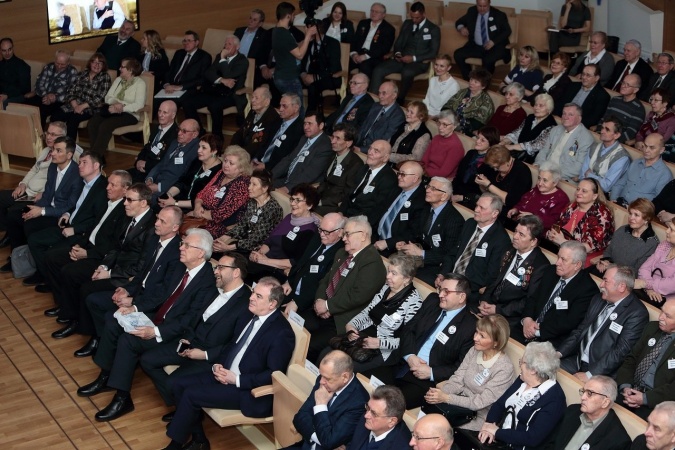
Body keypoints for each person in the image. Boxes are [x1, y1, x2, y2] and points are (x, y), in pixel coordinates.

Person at [76, 228, 218, 422]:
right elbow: (161, 294)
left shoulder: (207, 282)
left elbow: (189, 321)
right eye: (182, 243)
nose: (181, 248)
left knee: (128, 341)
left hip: (177, 333)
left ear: (200, 253)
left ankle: (122, 398)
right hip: (160, 318)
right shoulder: (181, 267)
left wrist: (156, 331)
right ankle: (106, 376)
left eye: (187, 245)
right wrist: (134, 307)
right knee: (115, 320)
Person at [161, 276, 295, 450]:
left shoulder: (281, 333)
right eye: (253, 293)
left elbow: (273, 374)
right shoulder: (249, 315)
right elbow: (232, 345)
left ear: (272, 304)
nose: (251, 298)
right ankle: (199, 439)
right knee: (178, 384)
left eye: (258, 296)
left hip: (247, 389)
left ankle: (175, 445)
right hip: (225, 373)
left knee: (191, 394)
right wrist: (218, 365)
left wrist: (236, 380)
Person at [138, 252, 252, 419]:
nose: (215, 271)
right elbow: (195, 318)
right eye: (216, 267)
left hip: (211, 358)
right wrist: (188, 339)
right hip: (191, 343)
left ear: (236, 272)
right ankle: (183, 405)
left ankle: (186, 411)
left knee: (172, 382)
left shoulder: (246, 304)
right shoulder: (214, 290)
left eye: (221, 267)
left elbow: (236, 344)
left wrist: (204, 354)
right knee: (147, 360)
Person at [45, 183, 155, 338]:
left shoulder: (151, 228)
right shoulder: (130, 218)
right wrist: (103, 266)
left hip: (127, 277)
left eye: (130, 200)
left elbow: (141, 266)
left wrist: (109, 273)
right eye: (125, 199)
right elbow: (116, 247)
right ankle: (72, 316)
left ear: (143, 203)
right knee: (71, 273)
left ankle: (88, 332)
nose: (125, 203)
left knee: (87, 288)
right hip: (114, 266)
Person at [77, 205, 183, 357]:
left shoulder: (177, 254)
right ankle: (100, 340)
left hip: (150, 303)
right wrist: (126, 289)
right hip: (137, 291)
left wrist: (134, 303)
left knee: (111, 317)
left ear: (175, 227)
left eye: (162, 221)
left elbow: (163, 292)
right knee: (93, 300)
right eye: (157, 219)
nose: (156, 223)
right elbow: (142, 273)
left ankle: (107, 352)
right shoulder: (155, 239)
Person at [37, 170, 129, 315]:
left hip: (99, 256)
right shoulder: (107, 203)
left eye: (113, 185)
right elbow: (93, 228)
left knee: (69, 271)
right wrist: (79, 245)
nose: (107, 187)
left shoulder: (124, 212)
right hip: (87, 245)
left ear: (125, 189)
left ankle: (70, 312)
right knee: (51, 257)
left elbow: (112, 245)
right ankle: (63, 302)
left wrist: (87, 254)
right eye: (108, 183)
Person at [306, 215, 386, 363]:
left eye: (347, 234)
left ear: (363, 236)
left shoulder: (372, 262)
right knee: (293, 328)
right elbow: (325, 280)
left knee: (309, 346)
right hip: (321, 310)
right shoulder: (342, 253)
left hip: (341, 320)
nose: (343, 238)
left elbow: (357, 296)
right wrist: (320, 300)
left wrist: (328, 306)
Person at [24, 152, 108, 287]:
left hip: (81, 233)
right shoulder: (83, 182)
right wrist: (68, 214)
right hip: (68, 224)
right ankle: (46, 277)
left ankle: (52, 283)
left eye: (84, 163)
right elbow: (75, 204)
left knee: (52, 253)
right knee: (34, 239)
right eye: (79, 162)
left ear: (96, 165)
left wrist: (75, 229)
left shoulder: (103, 189)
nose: (80, 166)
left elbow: (99, 220)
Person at [393, 273, 477, 408]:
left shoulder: (470, 326)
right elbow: (408, 329)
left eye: (446, 291)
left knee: (391, 404)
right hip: (402, 362)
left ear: (461, 297)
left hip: (426, 381)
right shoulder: (433, 301)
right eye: (440, 289)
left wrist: (432, 372)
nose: (440, 295)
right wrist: (410, 356)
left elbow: (461, 366)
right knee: (367, 384)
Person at [424, 314, 515, 431]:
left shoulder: (504, 368)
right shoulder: (474, 350)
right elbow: (457, 378)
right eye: (476, 332)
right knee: (428, 412)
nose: (475, 338)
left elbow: (480, 402)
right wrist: (439, 395)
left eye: (482, 336)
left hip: (478, 416)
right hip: (458, 403)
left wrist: (447, 398)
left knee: (437, 427)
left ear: (496, 342)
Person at [556, 265, 649, 379]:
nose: (601, 285)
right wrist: (559, 353)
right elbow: (581, 330)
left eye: (606, 281)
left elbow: (620, 352)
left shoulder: (637, 313)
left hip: (600, 372)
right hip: (577, 359)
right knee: (544, 369)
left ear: (621, 287)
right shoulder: (598, 299)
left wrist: (589, 375)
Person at [341, 253, 424, 373]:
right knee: (329, 353)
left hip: (385, 348)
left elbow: (407, 340)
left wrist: (379, 343)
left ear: (406, 278)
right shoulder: (386, 287)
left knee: (345, 367)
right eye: (388, 271)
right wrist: (351, 325)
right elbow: (367, 311)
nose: (388, 276)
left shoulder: (414, 302)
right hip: (365, 334)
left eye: (394, 273)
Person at [0, 122, 81, 243]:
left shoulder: (70, 162)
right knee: (6, 203)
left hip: (39, 197)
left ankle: (14, 239)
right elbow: (34, 170)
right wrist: (23, 184)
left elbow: (67, 201)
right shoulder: (47, 154)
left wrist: (41, 207)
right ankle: (11, 237)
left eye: (53, 134)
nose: (49, 137)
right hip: (32, 192)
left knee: (16, 212)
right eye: (48, 133)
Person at [478, 341, 566, 449]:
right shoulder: (523, 380)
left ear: (533, 370)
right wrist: (489, 427)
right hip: (500, 441)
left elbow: (532, 438)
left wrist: (497, 432)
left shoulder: (554, 399)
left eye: (522, 362)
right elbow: (499, 404)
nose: (520, 365)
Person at [514, 240, 599, 347]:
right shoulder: (550, 271)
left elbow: (569, 322)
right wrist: (527, 319)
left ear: (577, 265)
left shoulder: (587, 289)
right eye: (558, 257)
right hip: (527, 326)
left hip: (550, 339)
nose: (558, 262)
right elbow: (533, 298)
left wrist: (537, 331)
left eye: (563, 259)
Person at [284, 350, 370, 450]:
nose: (321, 381)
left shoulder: (359, 401)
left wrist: (320, 405)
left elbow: (329, 442)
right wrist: (318, 438)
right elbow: (299, 418)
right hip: (307, 445)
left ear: (345, 377)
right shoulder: (323, 381)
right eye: (321, 375)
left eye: (327, 378)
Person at [478, 216, 551, 329]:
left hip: (509, 317)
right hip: (490, 304)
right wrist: (484, 300)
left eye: (521, 234)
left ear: (533, 241)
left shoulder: (540, 265)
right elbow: (494, 279)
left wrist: (497, 310)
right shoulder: (509, 250)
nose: (515, 236)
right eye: (515, 231)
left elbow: (529, 301)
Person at [440, 193, 511, 307]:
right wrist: (443, 274)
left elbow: (490, 276)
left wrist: (458, 287)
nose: (476, 210)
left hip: (470, 290)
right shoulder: (470, 224)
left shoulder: (501, 240)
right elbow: (453, 253)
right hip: (449, 277)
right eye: (477, 205)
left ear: (495, 213)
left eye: (482, 208)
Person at [396, 177, 465, 286]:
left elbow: (448, 254)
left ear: (444, 196)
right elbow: (415, 233)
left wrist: (421, 253)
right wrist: (405, 244)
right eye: (428, 186)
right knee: (394, 265)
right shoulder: (425, 208)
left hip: (434, 265)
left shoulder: (454, 220)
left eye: (433, 188)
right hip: (416, 258)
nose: (427, 190)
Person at [369, 1, 440, 104]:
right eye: (412, 17)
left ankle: (400, 99)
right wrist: (398, 53)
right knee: (378, 69)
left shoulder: (433, 29)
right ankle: (372, 99)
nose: (414, 20)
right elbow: (398, 43)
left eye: (417, 18)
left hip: (419, 62)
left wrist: (413, 58)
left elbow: (433, 52)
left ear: (424, 14)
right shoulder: (407, 23)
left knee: (407, 72)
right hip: (401, 59)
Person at [615, 298, 675, 419]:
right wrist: (625, 387)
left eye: (667, 316)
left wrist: (645, 398)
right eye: (662, 311)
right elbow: (631, 359)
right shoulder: (652, 328)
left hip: (656, 403)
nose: (660, 317)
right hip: (629, 389)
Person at [247, 184, 319, 283]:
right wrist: (259, 254)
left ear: (310, 205)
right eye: (292, 199)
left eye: (298, 200)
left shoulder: (310, 231)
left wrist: (264, 261)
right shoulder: (289, 217)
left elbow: (294, 262)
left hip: (277, 271)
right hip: (264, 262)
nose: (292, 203)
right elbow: (270, 241)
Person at [182, 35, 250, 137]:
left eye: (229, 44)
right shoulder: (219, 56)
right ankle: (200, 132)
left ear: (237, 47)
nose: (226, 47)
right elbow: (209, 72)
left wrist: (222, 59)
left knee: (214, 106)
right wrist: (222, 80)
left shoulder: (242, 61)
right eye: (225, 44)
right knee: (187, 102)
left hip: (230, 94)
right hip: (215, 91)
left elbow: (228, 74)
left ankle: (217, 137)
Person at [281, 213, 346, 317]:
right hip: (292, 289)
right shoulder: (317, 237)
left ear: (340, 232)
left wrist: (298, 302)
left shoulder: (340, 254)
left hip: (308, 302)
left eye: (327, 232)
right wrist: (289, 281)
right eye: (321, 229)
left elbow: (323, 284)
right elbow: (301, 260)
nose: (322, 234)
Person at [546, 376, 631, 450]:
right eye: (583, 391)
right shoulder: (572, 411)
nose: (583, 397)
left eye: (589, 393)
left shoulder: (618, 440)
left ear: (605, 402)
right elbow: (551, 443)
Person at [213, 169, 284, 257]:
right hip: (244, 242)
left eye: (254, 184)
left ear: (265, 188)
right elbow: (243, 224)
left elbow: (257, 239)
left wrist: (228, 247)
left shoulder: (272, 209)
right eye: (250, 183)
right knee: (215, 248)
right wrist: (225, 237)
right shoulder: (252, 202)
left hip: (258, 249)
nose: (249, 187)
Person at [547, 178, 614, 267]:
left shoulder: (602, 214)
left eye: (584, 191)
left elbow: (588, 247)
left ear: (594, 196)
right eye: (578, 189)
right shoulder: (572, 206)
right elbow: (559, 226)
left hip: (583, 256)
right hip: (561, 247)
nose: (578, 193)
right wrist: (552, 234)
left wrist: (563, 242)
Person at [188, 145, 251, 239]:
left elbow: (220, 214)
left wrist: (197, 213)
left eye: (231, 163)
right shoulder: (221, 173)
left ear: (241, 168)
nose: (226, 165)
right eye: (225, 161)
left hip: (218, 226)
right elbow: (201, 193)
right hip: (201, 216)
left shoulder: (243, 184)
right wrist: (197, 206)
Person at [86, 57, 146, 155]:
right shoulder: (118, 80)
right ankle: (96, 156)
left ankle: (95, 156)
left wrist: (122, 107)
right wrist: (115, 104)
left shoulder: (140, 83)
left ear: (130, 70)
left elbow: (139, 105)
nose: (119, 69)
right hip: (112, 110)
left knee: (105, 125)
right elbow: (107, 97)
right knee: (92, 123)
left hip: (130, 114)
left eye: (122, 67)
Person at [50, 53, 112, 140]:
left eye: (100, 63)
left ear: (103, 65)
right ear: (90, 63)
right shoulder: (82, 74)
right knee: (55, 116)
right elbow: (70, 91)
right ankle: (56, 142)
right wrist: (75, 106)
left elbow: (100, 97)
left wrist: (82, 107)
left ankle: (69, 146)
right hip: (74, 105)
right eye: (94, 62)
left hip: (90, 108)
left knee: (73, 120)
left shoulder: (105, 77)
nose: (97, 65)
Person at [341, 140, 399, 232]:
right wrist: (341, 212)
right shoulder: (364, 168)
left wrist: (351, 222)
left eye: (376, 151)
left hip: (361, 222)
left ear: (385, 158)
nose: (370, 153)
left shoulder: (389, 179)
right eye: (370, 148)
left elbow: (377, 210)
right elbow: (349, 193)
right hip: (347, 213)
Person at [591, 199, 660, 275]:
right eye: (630, 213)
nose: (631, 218)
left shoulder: (652, 243)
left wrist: (611, 267)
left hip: (624, 277)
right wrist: (605, 261)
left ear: (647, 219)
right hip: (606, 269)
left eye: (636, 215)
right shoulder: (623, 230)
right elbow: (609, 250)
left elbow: (638, 271)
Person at [157, 133, 223, 211]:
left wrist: (174, 203)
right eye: (199, 146)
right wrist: (169, 195)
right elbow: (182, 182)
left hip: (194, 208)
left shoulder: (219, 172)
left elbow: (204, 201)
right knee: (157, 204)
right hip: (178, 200)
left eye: (204, 148)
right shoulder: (197, 162)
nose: (199, 150)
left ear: (214, 151)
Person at [271, 2, 317, 114]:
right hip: (288, 78)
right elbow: (300, 55)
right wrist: (307, 36)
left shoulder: (278, 31)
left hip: (283, 76)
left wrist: (306, 40)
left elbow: (293, 47)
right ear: (288, 16)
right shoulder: (284, 34)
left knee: (290, 109)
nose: (294, 17)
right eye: (293, 15)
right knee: (297, 110)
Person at [373, 161, 427, 256]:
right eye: (399, 173)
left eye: (403, 174)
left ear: (415, 178)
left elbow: (413, 233)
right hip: (374, 235)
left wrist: (388, 243)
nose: (399, 177)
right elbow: (378, 208)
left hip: (394, 248)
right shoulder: (397, 187)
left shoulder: (422, 201)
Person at [272, 111, 333, 193]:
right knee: (262, 184)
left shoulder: (325, 146)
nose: (305, 127)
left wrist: (288, 188)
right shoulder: (304, 138)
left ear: (321, 125)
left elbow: (310, 173)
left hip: (302, 187)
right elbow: (289, 159)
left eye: (310, 124)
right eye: (305, 123)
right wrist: (270, 176)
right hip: (287, 179)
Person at [144, 119, 201, 203]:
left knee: (141, 201)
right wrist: (150, 178)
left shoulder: (196, 150)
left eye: (184, 131)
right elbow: (162, 163)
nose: (179, 133)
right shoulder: (175, 142)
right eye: (179, 129)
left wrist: (159, 187)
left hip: (169, 190)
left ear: (195, 134)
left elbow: (182, 176)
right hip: (155, 182)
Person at [534, 103, 595, 182]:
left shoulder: (586, 139)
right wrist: (539, 165)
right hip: (543, 169)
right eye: (564, 113)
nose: (565, 117)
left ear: (579, 119)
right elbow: (544, 151)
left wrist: (552, 174)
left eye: (570, 114)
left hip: (563, 177)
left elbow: (578, 167)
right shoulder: (556, 129)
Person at [454, 0, 512, 80]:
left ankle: (483, 84)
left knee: (488, 60)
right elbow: (459, 22)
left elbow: (507, 31)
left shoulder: (498, 15)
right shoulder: (472, 11)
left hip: (495, 47)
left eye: (484, 6)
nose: (482, 9)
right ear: (476, 4)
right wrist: (461, 28)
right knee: (458, 54)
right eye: (479, 6)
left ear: (489, 4)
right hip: (477, 46)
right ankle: (469, 80)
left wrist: (493, 42)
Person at [315, 123, 365, 215]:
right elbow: (325, 181)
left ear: (348, 143)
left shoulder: (356, 164)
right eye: (333, 137)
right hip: (320, 198)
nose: (332, 141)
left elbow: (346, 194)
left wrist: (321, 202)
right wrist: (313, 197)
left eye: (337, 138)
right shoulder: (332, 155)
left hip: (334, 206)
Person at [506, 161, 569, 232]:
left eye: (545, 180)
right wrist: (516, 209)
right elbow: (522, 202)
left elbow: (553, 222)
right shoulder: (536, 189)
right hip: (519, 224)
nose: (540, 183)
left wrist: (533, 218)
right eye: (539, 178)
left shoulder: (561, 199)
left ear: (555, 183)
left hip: (535, 232)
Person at [22, 50, 78, 126]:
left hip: (60, 101)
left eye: (62, 64)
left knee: (41, 111)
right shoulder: (48, 67)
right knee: (25, 105)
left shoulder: (72, 72)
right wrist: (46, 95)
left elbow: (71, 92)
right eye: (57, 63)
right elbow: (39, 83)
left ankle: (39, 133)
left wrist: (54, 97)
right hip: (43, 95)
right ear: (55, 60)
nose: (59, 66)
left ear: (68, 63)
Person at [127, 100, 178, 183]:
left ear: (173, 115)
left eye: (165, 112)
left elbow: (166, 161)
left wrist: (146, 165)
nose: (160, 115)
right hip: (141, 168)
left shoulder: (175, 135)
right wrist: (138, 161)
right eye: (159, 111)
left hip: (154, 175)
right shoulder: (156, 128)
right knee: (117, 177)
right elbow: (147, 147)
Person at [474, 145, 532, 217]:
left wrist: (488, 185)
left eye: (497, 167)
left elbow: (509, 201)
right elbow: (485, 192)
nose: (495, 169)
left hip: (506, 211)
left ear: (507, 162)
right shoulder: (493, 167)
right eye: (493, 167)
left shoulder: (522, 172)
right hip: (489, 202)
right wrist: (482, 184)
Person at [346, 385, 412, 449]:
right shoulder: (366, 419)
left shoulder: (401, 446)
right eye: (368, 407)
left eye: (374, 414)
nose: (366, 415)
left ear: (392, 421)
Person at [451, 126, 500, 208]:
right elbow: (458, 176)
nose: (477, 141)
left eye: (482, 140)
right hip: (455, 192)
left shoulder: (492, 164)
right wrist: (450, 190)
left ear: (491, 144)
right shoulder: (471, 153)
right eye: (478, 138)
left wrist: (463, 197)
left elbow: (485, 193)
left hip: (472, 201)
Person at [253, 93, 304, 170]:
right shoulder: (276, 121)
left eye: (284, 106)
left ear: (296, 108)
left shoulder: (300, 129)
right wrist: (255, 158)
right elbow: (264, 143)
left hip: (275, 170)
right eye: (280, 106)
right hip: (259, 163)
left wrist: (266, 166)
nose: (280, 109)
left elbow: (288, 157)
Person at [578, 117, 630, 193]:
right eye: (602, 128)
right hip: (583, 188)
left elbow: (606, 186)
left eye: (607, 129)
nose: (602, 131)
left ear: (616, 135)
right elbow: (582, 175)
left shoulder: (622, 157)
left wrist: (590, 175)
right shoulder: (594, 146)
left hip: (602, 195)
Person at [300, 22, 342, 113]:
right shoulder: (307, 43)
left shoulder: (333, 43)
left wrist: (315, 77)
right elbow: (301, 63)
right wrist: (303, 75)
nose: (305, 31)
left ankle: (310, 114)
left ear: (316, 30)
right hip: (306, 76)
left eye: (308, 29)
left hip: (326, 77)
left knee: (314, 86)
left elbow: (334, 67)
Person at [230, 86, 281, 159]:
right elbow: (240, 132)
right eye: (252, 97)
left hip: (255, 157)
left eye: (256, 98)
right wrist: (232, 149)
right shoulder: (252, 112)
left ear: (267, 102)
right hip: (242, 151)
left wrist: (239, 155)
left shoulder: (272, 118)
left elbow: (259, 145)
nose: (252, 100)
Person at [355, 81, 406, 152]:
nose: (380, 96)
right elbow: (364, 127)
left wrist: (361, 149)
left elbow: (385, 141)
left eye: (384, 93)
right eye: (379, 93)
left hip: (373, 151)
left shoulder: (398, 116)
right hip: (358, 143)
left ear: (394, 95)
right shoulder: (376, 106)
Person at [556, 64, 611, 128]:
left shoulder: (603, 96)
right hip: (559, 120)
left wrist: (573, 124)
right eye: (583, 74)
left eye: (588, 75)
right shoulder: (572, 86)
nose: (584, 77)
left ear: (596, 78)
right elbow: (560, 104)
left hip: (578, 127)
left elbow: (593, 119)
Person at [161, 30, 211, 100]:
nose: (186, 43)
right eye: (184, 41)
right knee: (154, 101)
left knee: (169, 103)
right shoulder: (179, 53)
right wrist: (167, 84)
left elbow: (202, 79)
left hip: (187, 88)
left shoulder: (204, 57)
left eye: (189, 41)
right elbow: (169, 71)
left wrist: (180, 87)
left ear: (196, 42)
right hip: (170, 87)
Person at [442, 69, 494, 136]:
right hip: (448, 121)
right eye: (471, 79)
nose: (471, 83)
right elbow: (448, 105)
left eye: (475, 82)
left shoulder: (486, 102)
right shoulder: (463, 92)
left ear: (483, 86)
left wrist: (454, 124)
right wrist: (446, 118)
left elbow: (477, 124)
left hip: (465, 130)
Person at [349, 3, 396, 78]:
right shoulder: (363, 23)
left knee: (365, 66)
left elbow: (384, 48)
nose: (373, 13)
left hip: (373, 57)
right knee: (343, 62)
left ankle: (364, 85)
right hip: (358, 53)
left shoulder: (389, 29)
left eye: (376, 12)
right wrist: (354, 54)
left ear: (383, 15)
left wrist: (365, 56)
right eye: (372, 11)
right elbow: (354, 40)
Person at [635, 219, 675, 306]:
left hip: (666, 302)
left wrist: (646, 284)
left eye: (671, 229)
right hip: (647, 291)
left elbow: (672, 285)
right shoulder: (665, 245)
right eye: (668, 227)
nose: (667, 231)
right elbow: (644, 268)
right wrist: (648, 289)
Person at [598, 73, 646, 143]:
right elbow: (603, 119)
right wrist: (600, 132)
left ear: (635, 90)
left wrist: (611, 139)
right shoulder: (615, 100)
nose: (623, 86)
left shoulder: (639, 109)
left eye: (627, 85)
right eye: (623, 82)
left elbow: (630, 133)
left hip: (617, 142)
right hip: (602, 136)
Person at [421, 110, 464, 179]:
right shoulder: (436, 138)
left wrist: (423, 172)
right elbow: (424, 160)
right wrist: (421, 170)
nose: (440, 127)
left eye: (445, 125)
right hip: (426, 173)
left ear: (454, 126)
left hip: (440, 179)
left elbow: (443, 172)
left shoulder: (456, 146)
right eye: (439, 123)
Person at [235, 9, 272, 89]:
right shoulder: (239, 31)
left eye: (254, 20)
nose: (250, 21)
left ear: (260, 24)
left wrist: (263, 66)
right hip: (234, 62)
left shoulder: (264, 35)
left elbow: (264, 54)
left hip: (250, 66)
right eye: (250, 18)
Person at [635, 89, 675, 154]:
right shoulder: (651, 114)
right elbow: (641, 131)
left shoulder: (672, 119)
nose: (652, 102)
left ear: (665, 103)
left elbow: (663, 140)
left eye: (656, 100)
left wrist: (646, 145)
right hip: (641, 145)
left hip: (656, 150)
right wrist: (639, 141)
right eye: (651, 99)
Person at [424, 54, 460, 119]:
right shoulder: (432, 80)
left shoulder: (453, 86)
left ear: (448, 68)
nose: (438, 68)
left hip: (441, 117)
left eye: (442, 66)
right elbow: (427, 99)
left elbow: (450, 109)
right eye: (436, 64)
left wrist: (433, 117)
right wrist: (424, 112)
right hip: (427, 113)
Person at [0, 37, 31, 107]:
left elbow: (25, 89)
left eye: (9, 49)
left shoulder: (22, 65)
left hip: (18, 96)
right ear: (0, 51)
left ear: (13, 48)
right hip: (2, 95)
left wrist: (7, 95)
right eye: (4, 50)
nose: (7, 53)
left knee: (4, 104)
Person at [137, 29, 170, 94]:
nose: (141, 40)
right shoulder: (141, 53)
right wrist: (143, 73)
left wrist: (151, 75)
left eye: (144, 39)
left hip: (153, 82)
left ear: (150, 40)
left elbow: (164, 70)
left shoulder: (160, 53)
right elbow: (135, 67)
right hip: (140, 79)